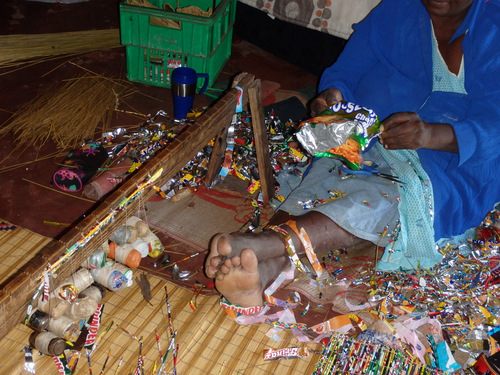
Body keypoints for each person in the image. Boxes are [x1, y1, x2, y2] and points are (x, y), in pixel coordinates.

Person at [205, 0, 500, 310]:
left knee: (392, 196)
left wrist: (430, 135)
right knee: (329, 168)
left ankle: (269, 243)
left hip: (455, 158)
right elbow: (347, 71)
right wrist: (332, 97)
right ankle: (265, 270)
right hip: (378, 135)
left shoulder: (493, 27)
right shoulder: (398, 10)